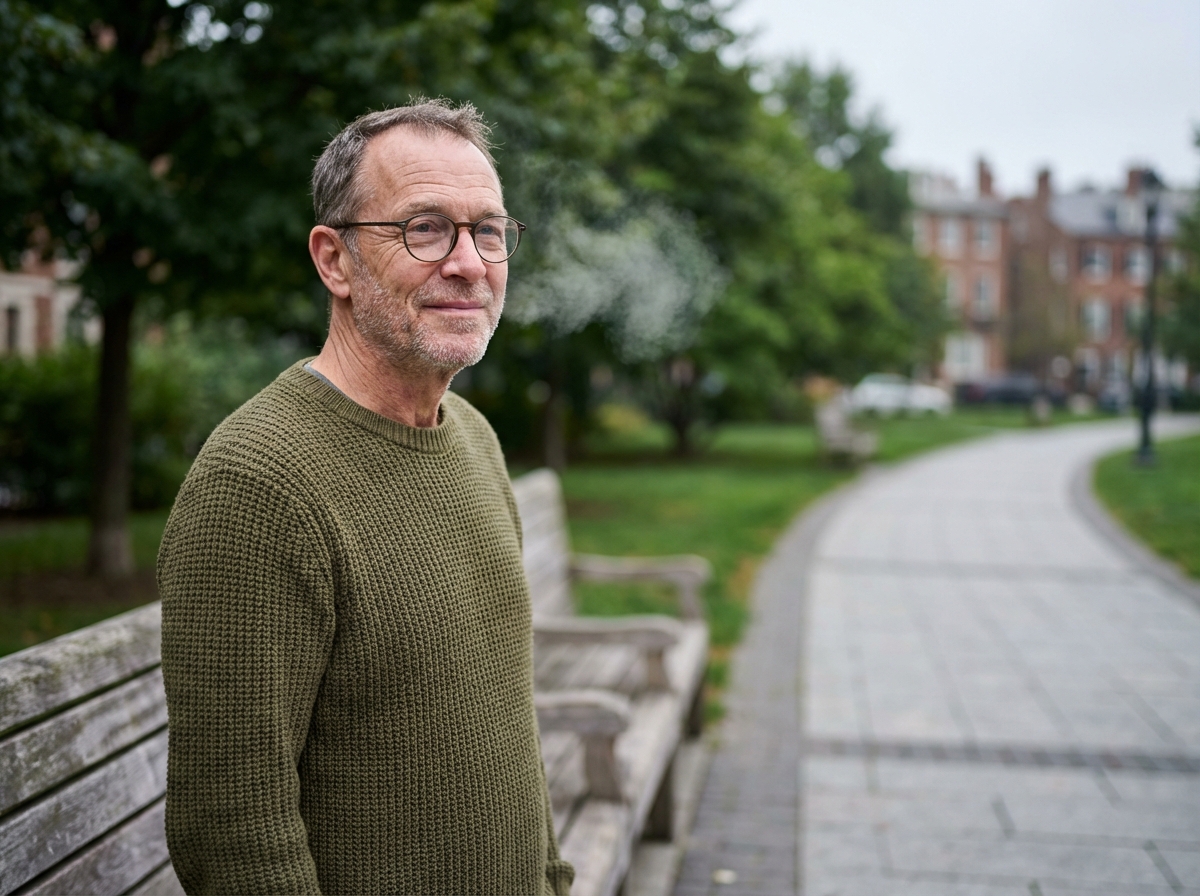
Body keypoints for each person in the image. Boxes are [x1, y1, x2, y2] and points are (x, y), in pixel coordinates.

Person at [158, 99, 574, 896]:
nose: (469, 263)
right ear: (334, 260)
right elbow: (232, 832)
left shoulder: (474, 437)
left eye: (489, 231)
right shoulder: (257, 486)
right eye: (426, 228)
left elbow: (509, 731)